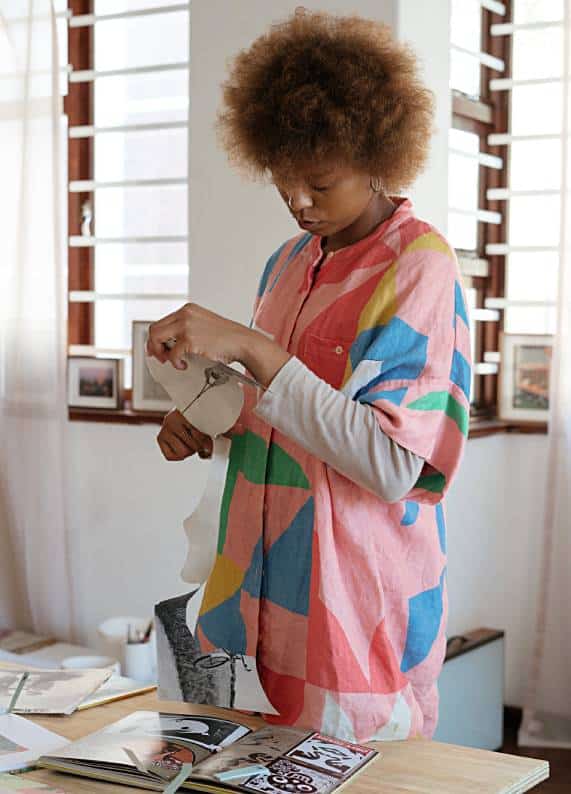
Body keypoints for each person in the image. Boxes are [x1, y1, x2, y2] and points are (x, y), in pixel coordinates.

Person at [147, 9, 471, 743]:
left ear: (376, 156)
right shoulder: (288, 263)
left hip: (352, 604)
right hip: (252, 596)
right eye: (283, 181)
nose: (297, 202)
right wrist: (206, 421)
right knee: (238, 766)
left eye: (319, 183)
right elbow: (287, 415)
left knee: (355, 774)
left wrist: (251, 346)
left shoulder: (418, 266)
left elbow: (392, 464)